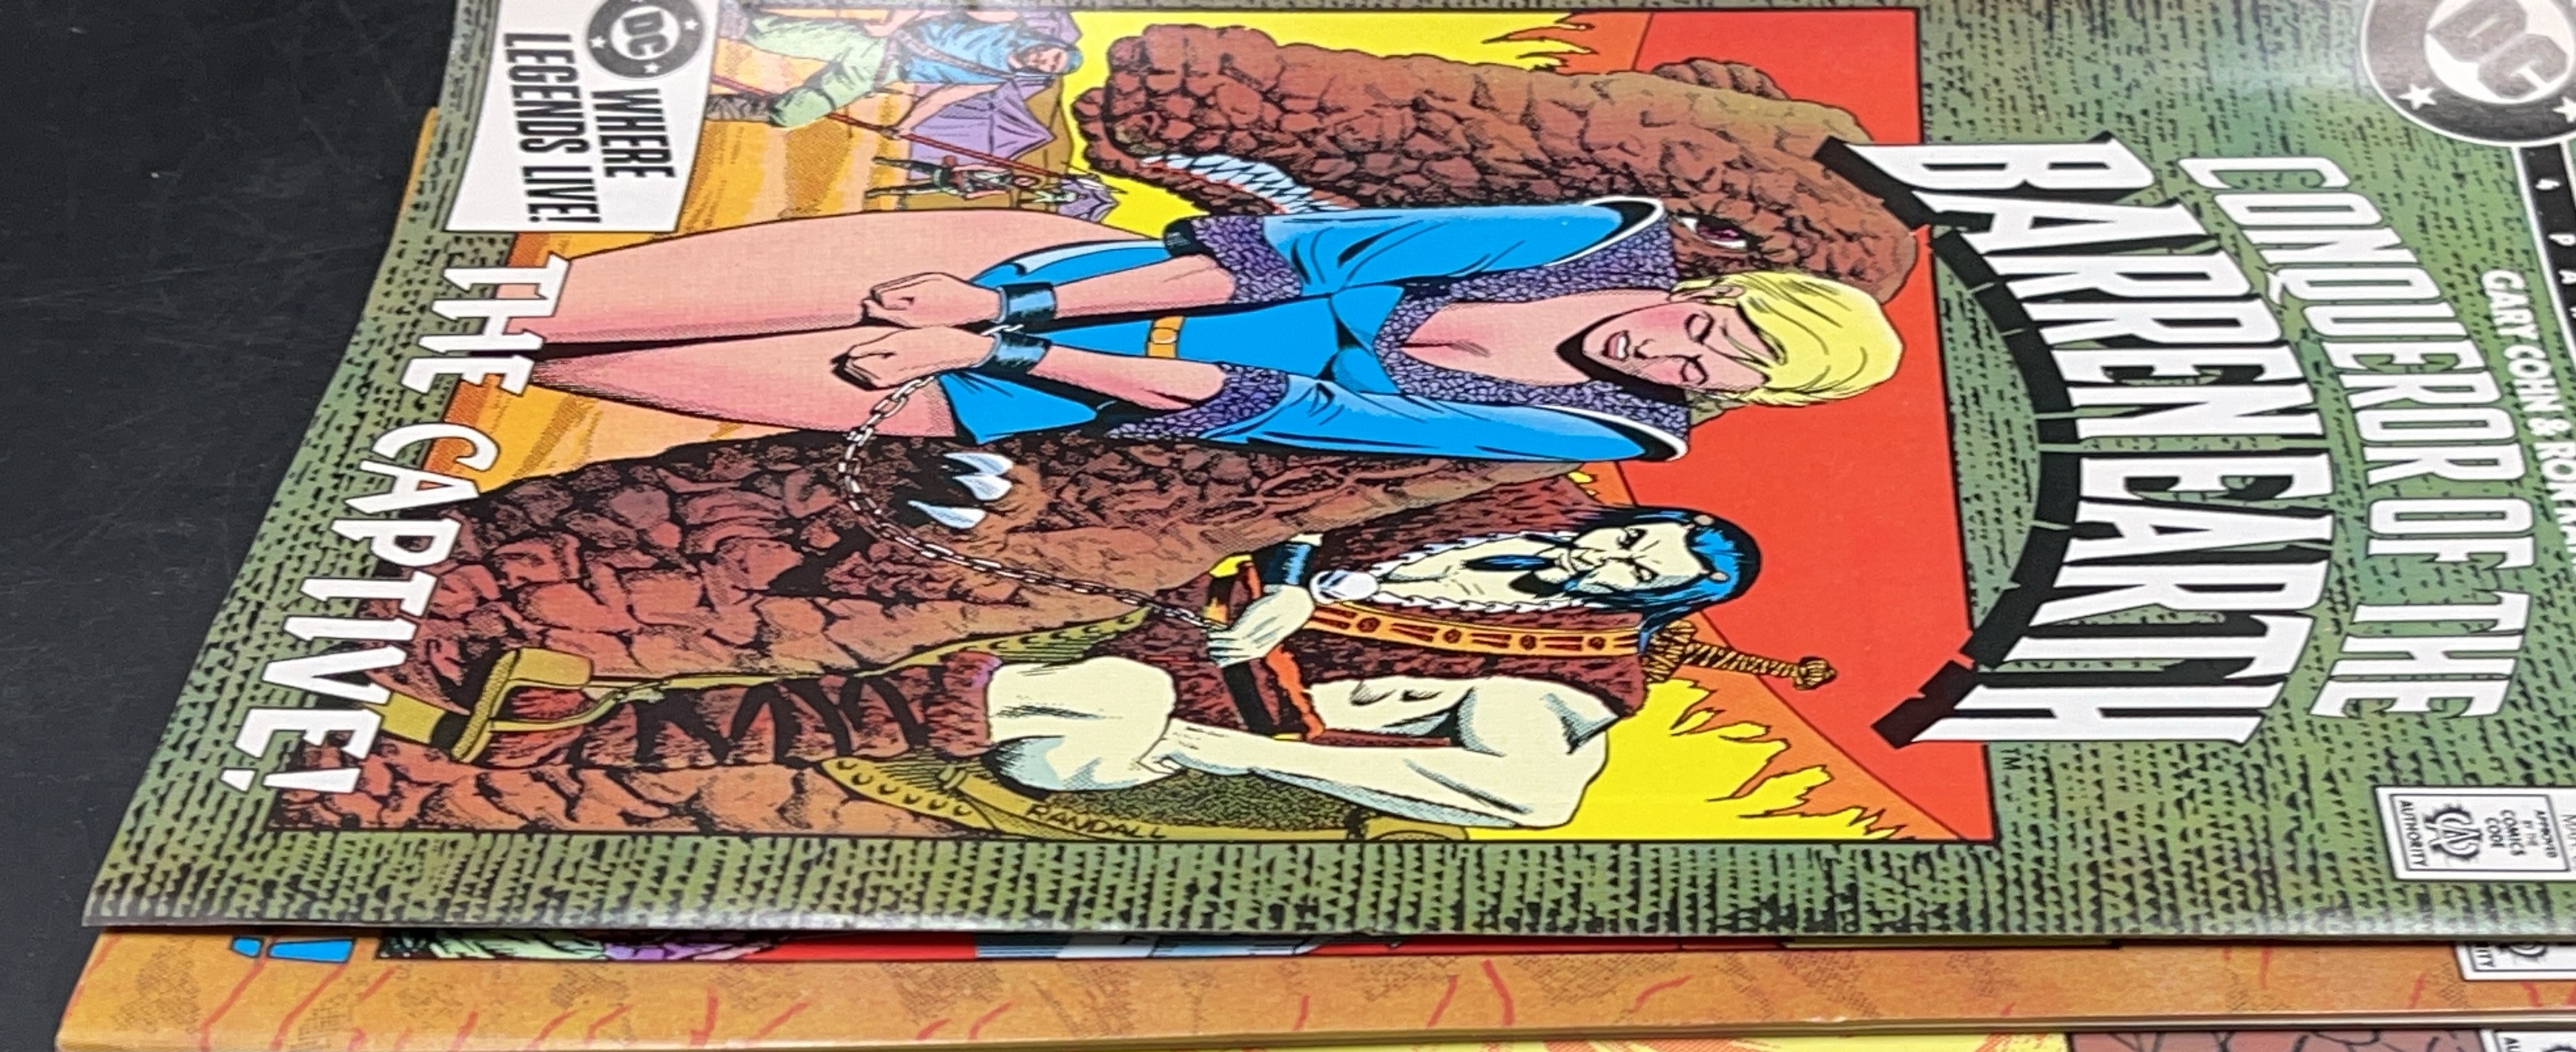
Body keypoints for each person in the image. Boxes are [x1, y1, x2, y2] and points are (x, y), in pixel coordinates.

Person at [373, 504, 1796, 836]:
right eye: (1639, 533)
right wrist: (1290, 586)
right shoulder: (1506, 513)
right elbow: (1318, 513)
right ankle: (592, 690)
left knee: (1098, 704)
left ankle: (597, 738)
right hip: (1170, 615)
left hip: (1178, 733)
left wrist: (1230, 750)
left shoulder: (1580, 667)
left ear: (1656, 603)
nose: (1622, 557)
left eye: (1652, 570)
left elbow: (1533, 796)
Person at [517, 200, 1902, 460]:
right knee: (561, 308)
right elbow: (1280, 262)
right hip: (1063, 277)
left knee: (584, 372)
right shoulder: (1594, 236)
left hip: (1040, 387)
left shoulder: (1614, 431)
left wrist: (993, 356)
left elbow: (1293, 409)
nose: (1674, 356)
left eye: (1717, 376)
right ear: (1722, 292)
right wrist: (999, 302)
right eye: (1708, 327)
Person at [709, 4, 1082, 132]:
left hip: (876, 74)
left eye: (1052, 66)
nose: (1044, 59)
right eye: (1053, 54)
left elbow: (942, 98)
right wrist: (893, 22)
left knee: (793, 114)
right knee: (763, 33)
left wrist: (905, 126)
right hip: (877, 42)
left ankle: (706, 110)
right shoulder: (1006, 20)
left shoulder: (994, 79)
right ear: (1052, 43)